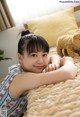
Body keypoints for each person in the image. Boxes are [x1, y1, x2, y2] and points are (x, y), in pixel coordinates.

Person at [0, 30, 77, 117]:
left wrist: (54, 63)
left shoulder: (24, 66)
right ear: (20, 57)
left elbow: (53, 56)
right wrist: (68, 61)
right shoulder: (22, 79)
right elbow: (68, 73)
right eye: (33, 55)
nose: (41, 61)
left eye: (44, 55)